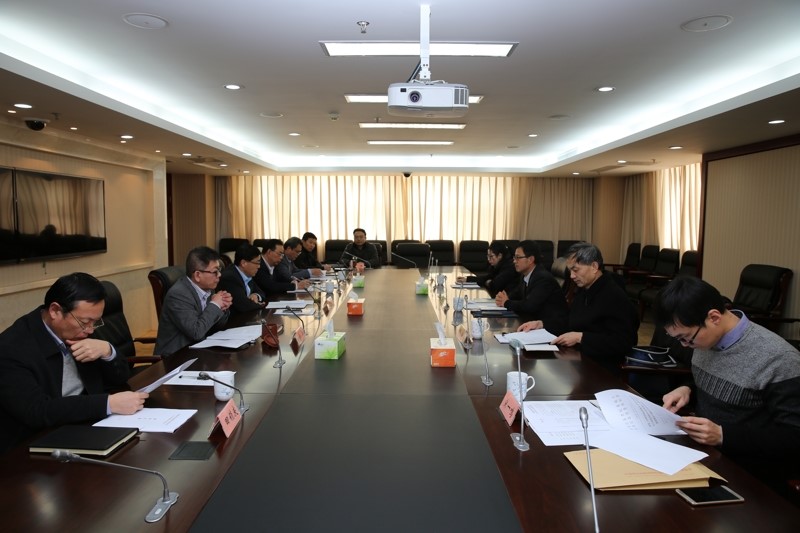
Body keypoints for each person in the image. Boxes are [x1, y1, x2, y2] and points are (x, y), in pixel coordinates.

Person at [657, 276, 800, 495]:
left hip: (750, 472)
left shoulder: (779, 360)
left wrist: (724, 435)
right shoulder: (706, 338)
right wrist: (688, 389)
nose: (685, 346)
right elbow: (726, 384)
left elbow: (793, 438)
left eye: (686, 338)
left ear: (714, 317)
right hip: (703, 453)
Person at [0, 272, 147, 453]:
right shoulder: (11, 348)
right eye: (85, 322)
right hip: (32, 445)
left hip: (86, 425)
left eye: (96, 321)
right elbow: (37, 411)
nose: (90, 329)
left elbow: (120, 378)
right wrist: (107, 404)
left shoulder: (81, 328)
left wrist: (107, 351)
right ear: (55, 311)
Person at [518, 243, 638, 373]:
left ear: (594, 267)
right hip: (578, 360)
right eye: (570, 271)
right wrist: (541, 324)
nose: (572, 276)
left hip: (602, 368)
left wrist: (581, 337)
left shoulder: (614, 296)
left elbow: (623, 342)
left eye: (576, 270)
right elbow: (571, 321)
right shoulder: (585, 289)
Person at [154, 246, 232, 356]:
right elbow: (196, 333)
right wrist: (215, 305)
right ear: (197, 275)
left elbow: (215, 326)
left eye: (219, 270)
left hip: (198, 350)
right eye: (215, 271)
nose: (219, 275)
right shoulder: (178, 295)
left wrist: (222, 307)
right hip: (175, 358)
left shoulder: (208, 288)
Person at [495, 240, 569, 334]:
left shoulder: (542, 278)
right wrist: (503, 297)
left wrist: (506, 302)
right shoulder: (525, 275)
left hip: (552, 328)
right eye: (514, 257)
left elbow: (529, 306)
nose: (514, 261)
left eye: (518, 258)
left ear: (530, 259)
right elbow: (516, 294)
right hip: (534, 323)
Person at [217, 243, 267, 313]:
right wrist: (261, 305)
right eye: (257, 263)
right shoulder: (230, 278)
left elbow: (261, 292)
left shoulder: (247, 274)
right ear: (243, 263)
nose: (259, 266)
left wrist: (256, 295)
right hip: (234, 318)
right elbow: (244, 306)